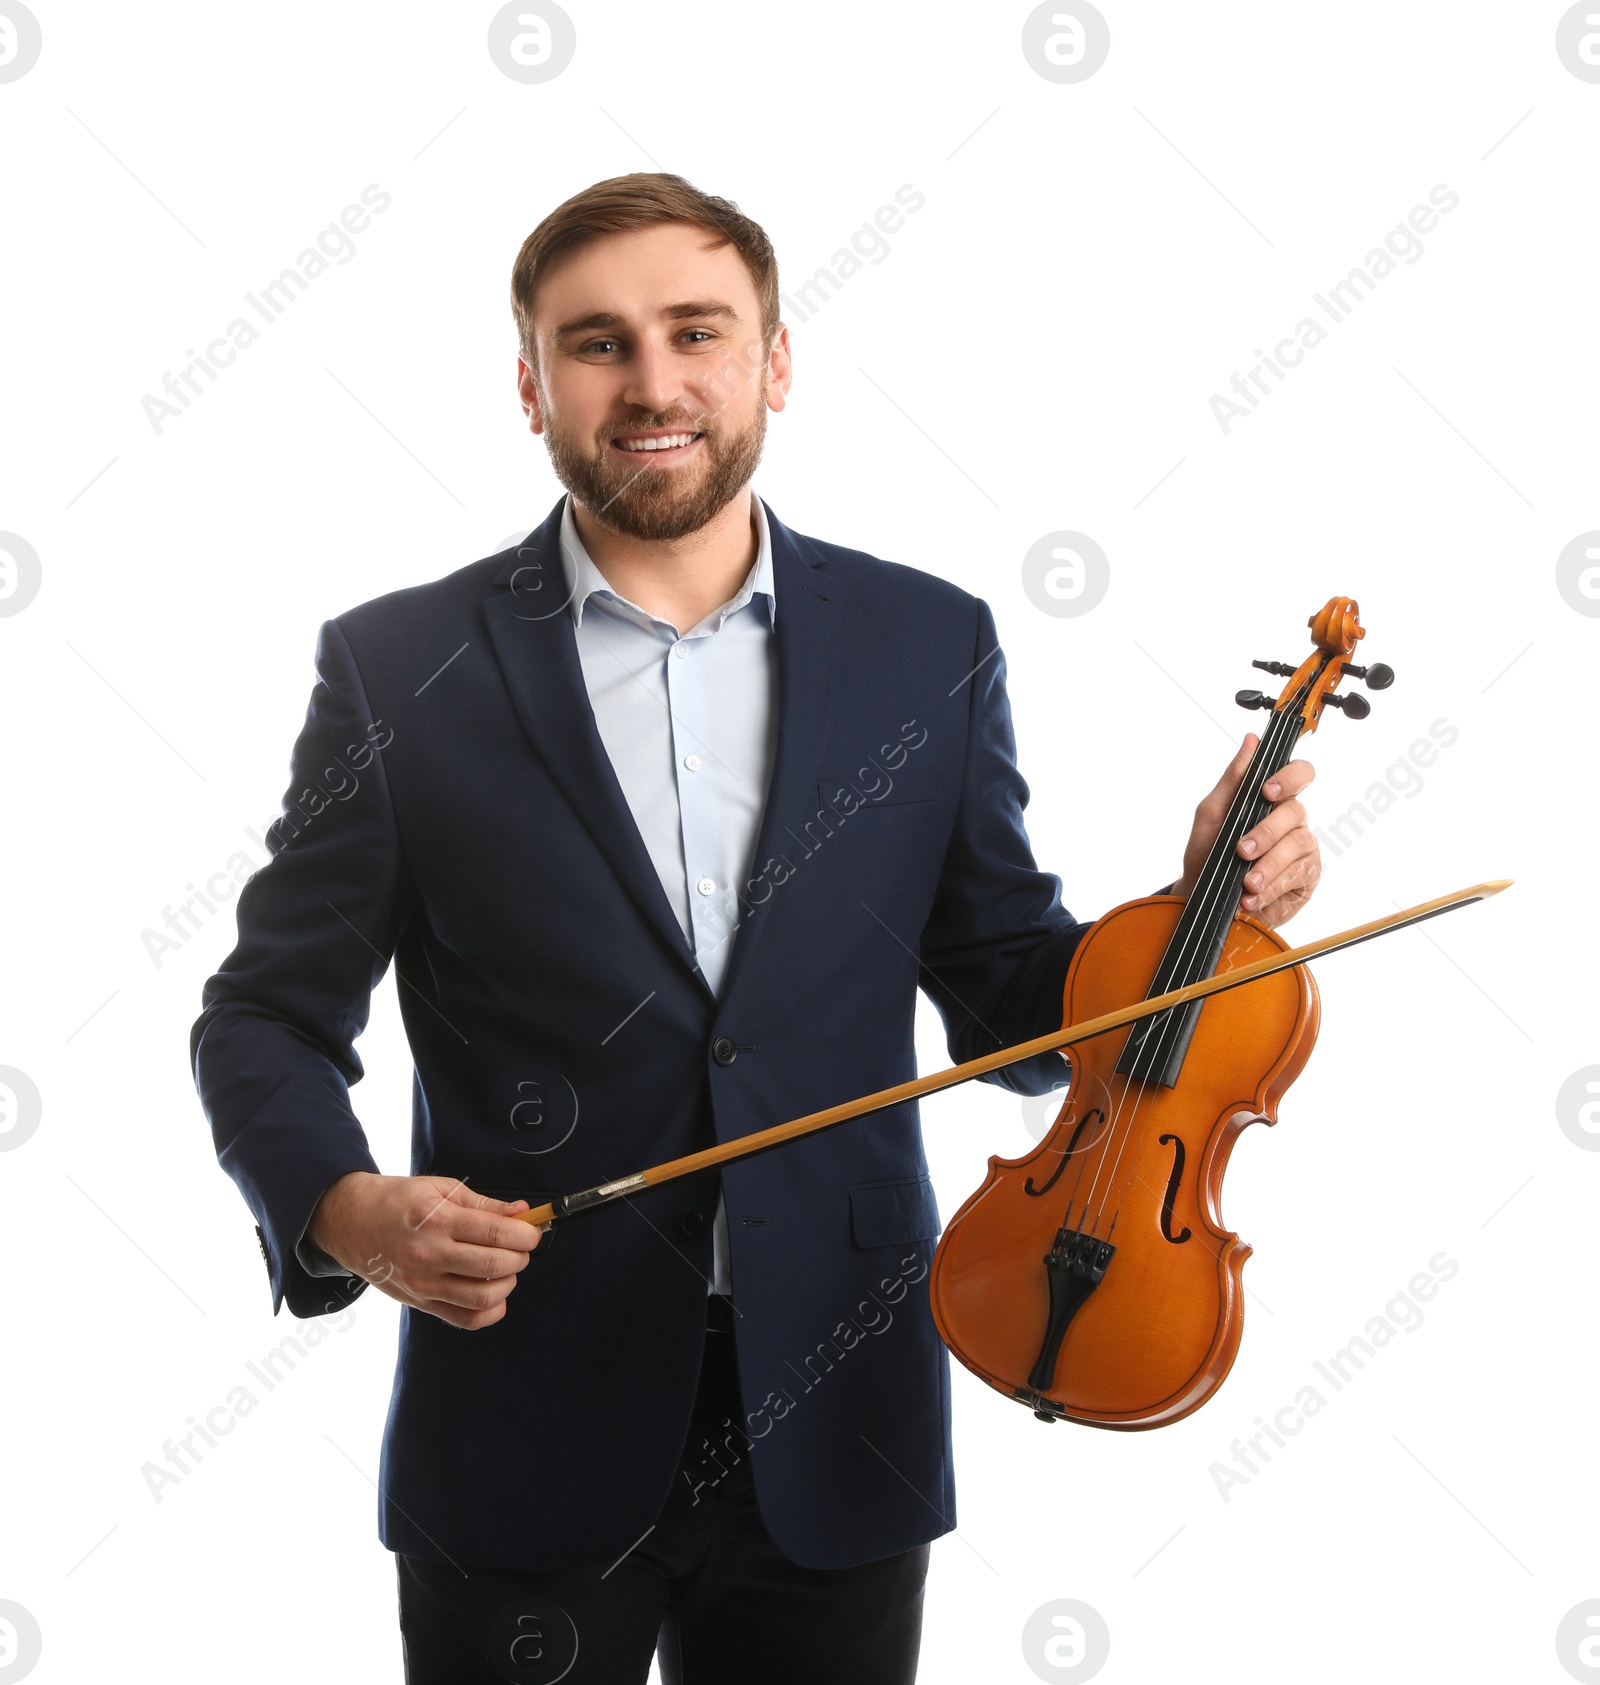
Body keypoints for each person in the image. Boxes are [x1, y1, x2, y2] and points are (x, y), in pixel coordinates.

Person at [191, 173, 1320, 1684]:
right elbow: (262, 1012)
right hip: (523, 1411)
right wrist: (343, 1207)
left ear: (774, 362)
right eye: (597, 343)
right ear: (531, 387)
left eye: (696, 332)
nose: (653, 383)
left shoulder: (930, 641)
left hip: (843, 1402)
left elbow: (1005, 997)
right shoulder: (400, 667)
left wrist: (1185, 918)